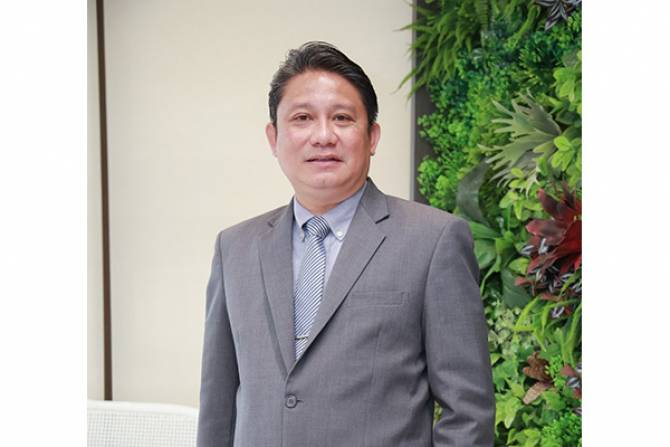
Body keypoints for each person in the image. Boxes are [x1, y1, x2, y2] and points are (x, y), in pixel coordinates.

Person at [196, 41, 494, 447]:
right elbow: (218, 409)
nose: (323, 136)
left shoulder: (433, 240)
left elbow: (468, 413)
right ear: (274, 138)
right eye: (302, 118)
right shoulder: (235, 249)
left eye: (341, 118)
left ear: (372, 137)